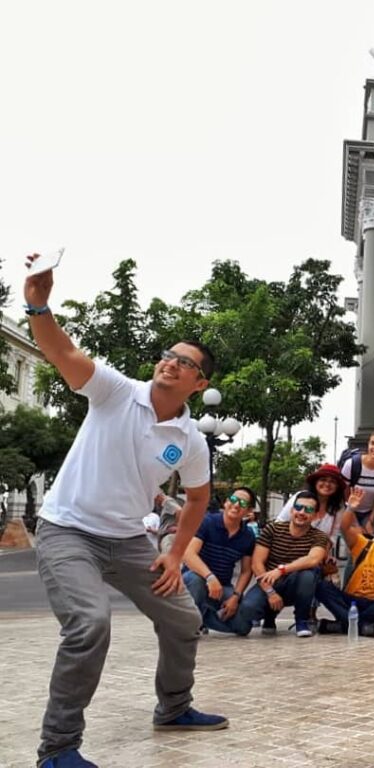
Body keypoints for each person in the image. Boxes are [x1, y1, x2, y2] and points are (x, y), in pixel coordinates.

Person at [25, 253, 226, 768]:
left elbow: (199, 498)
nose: (171, 362)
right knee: (90, 624)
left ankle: (174, 708)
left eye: (185, 362)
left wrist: (176, 554)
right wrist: (39, 305)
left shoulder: (190, 440)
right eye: (168, 354)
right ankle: (58, 749)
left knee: (183, 617)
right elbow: (62, 352)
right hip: (68, 530)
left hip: (130, 541)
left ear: (198, 384)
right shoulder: (115, 392)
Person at [315, 493, 374, 637]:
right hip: (350, 601)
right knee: (321, 586)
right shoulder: (364, 545)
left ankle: (342, 625)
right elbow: (345, 527)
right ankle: (363, 627)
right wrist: (351, 508)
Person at [242, 491, 330, 637]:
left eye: (308, 510)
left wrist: (282, 570)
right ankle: (269, 616)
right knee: (247, 610)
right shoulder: (272, 529)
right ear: (291, 510)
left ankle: (302, 619)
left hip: (295, 583)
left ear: (315, 515)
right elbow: (257, 563)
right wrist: (270, 592)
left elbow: (313, 559)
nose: (302, 512)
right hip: (269, 582)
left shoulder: (319, 536)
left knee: (309, 574)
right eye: (299, 507)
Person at [182, 487, 258, 636]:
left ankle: (201, 617)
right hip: (196, 579)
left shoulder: (248, 536)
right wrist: (210, 577)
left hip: (223, 586)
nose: (236, 505)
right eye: (234, 500)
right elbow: (189, 554)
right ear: (226, 502)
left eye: (242, 503)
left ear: (248, 511)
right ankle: (188, 624)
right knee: (196, 580)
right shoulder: (207, 522)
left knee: (243, 627)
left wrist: (236, 596)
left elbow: (246, 571)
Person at [340, 430, 374, 534]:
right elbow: (344, 493)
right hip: (348, 509)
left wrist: (370, 520)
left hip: (370, 512)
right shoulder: (351, 465)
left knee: (372, 542)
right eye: (373, 443)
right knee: (352, 542)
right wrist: (354, 521)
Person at [277, 463, 345, 535]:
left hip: (321, 545)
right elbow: (280, 523)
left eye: (332, 482)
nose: (327, 484)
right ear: (315, 482)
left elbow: (332, 538)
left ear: (337, 487)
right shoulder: (301, 497)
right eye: (323, 480)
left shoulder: (338, 507)